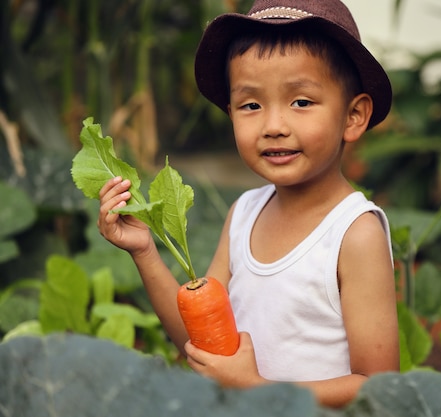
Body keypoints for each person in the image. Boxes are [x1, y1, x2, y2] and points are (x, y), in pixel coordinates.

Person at [97, 0, 398, 408]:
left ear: (353, 116)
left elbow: (378, 387)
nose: (273, 126)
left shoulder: (353, 233)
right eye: (251, 105)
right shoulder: (244, 215)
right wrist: (145, 250)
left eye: (301, 102)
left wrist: (258, 391)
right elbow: (200, 344)